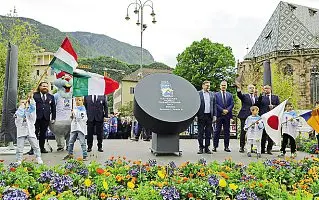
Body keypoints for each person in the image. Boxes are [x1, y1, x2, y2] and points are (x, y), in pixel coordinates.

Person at [15, 93, 43, 165]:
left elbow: (33, 108)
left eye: (25, 102)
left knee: (35, 145)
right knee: (19, 147)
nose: (24, 103)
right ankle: (19, 159)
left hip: (30, 131)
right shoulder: (18, 112)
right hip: (21, 131)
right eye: (22, 102)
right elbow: (19, 119)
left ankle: (38, 157)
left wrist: (31, 99)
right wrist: (22, 107)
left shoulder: (30, 111)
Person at [30, 82, 56, 154]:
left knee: (43, 134)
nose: (45, 88)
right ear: (39, 87)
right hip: (36, 118)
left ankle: (42, 148)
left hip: (45, 118)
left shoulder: (51, 96)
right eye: (44, 86)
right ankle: (33, 148)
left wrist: (53, 118)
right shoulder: (35, 95)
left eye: (47, 86)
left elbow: (53, 108)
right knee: (34, 133)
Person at [255, 85, 280, 154]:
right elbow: (257, 105)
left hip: (272, 118)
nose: (266, 89)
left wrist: (273, 106)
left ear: (270, 89)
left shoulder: (275, 97)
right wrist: (260, 95)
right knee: (263, 134)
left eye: (267, 88)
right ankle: (262, 149)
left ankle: (269, 149)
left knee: (270, 134)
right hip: (264, 117)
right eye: (264, 88)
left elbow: (279, 106)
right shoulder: (262, 97)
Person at [213, 81, 234, 152]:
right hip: (219, 115)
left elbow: (232, 104)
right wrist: (222, 110)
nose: (223, 86)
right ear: (220, 86)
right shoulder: (216, 95)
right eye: (222, 85)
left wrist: (227, 110)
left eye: (225, 85)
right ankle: (215, 146)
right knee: (217, 131)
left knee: (227, 132)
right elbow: (215, 104)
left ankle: (226, 147)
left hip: (227, 116)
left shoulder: (230, 95)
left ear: (226, 86)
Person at [196, 80, 216, 154]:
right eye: (207, 85)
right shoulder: (198, 94)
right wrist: (196, 116)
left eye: (209, 85)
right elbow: (196, 105)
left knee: (208, 133)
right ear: (203, 86)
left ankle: (207, 148)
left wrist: (214, 115)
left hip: (209, 116)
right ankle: (201, 147)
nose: (208, 87)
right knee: (200, 133)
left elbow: (214, 105)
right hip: (201, 116)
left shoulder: (212, 94)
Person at [236, 84, 257, 153]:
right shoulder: (245, 96)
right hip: (244, 116)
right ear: (248, 89)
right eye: (250, 88)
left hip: (253, 117)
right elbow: (239, 95)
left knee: (252, 132)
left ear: (255, 89)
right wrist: (239, 89)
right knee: (243, 132)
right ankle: (242, 147)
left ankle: (251, 147)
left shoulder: (256, 97)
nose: (252, 89)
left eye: (253, 88)